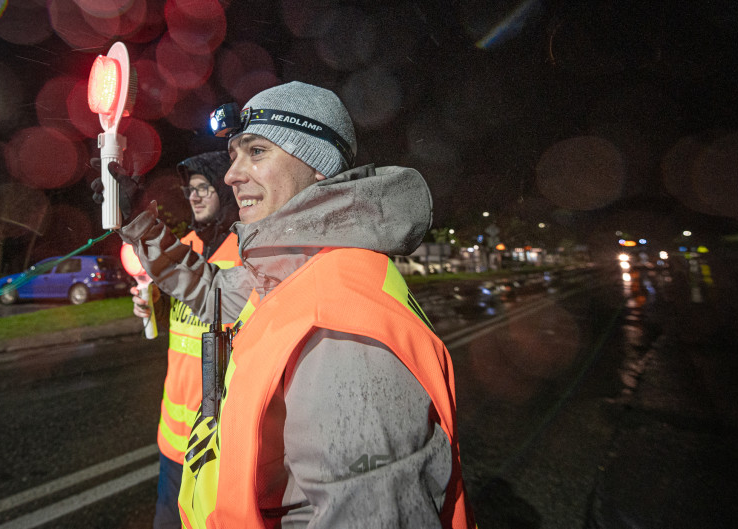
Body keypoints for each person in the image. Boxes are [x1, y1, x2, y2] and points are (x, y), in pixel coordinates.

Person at [112, 81, 476, 528]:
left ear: (318, 166)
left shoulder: (340, 325)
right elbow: (214, 294)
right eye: (233, 156)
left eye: (257, 152)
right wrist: (140, 225)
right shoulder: (292, 268)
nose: (231, 176)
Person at [144, 151, 241, 529]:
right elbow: (179, 320)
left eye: (205, 188)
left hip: (220, 443)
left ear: (225, 190)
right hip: (173, 439)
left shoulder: (247, 253)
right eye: (191, 190)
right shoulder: (184, 247)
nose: (195, 197)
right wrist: (151, 306)